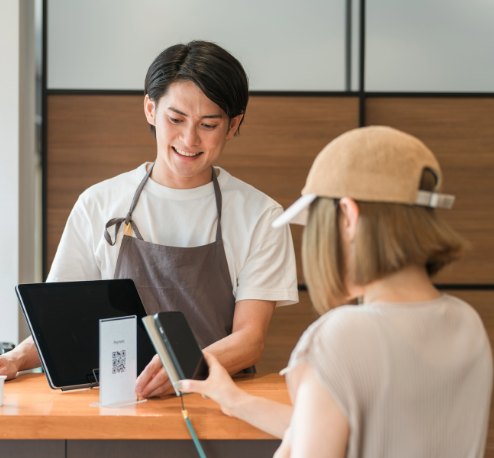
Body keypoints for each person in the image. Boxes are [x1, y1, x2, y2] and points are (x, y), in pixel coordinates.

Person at [0, 41, 299, 397]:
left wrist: (181, 366)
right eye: (175, 120)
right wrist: (13, 359)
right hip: (120, 400)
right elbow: (62, 320)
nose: (189, 139)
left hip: (217, 402)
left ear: (232, 124)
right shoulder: (97, 203)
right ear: (150, 108)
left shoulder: (261, 216)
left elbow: (250, 340)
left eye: (208, 124)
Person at [180, 126, 493, 457]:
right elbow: (333, 427)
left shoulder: (341, 337)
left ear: (348, 216)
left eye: (317, 225)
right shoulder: (467, 323)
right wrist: (236, 400)